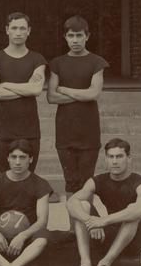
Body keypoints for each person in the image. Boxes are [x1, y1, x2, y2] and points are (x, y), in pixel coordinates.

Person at [66, 138, 141, 266]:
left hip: (133, 239)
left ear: (129, 158)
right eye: (111, 157)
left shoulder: (140, 183)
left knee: (132, 212)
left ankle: (104, 265)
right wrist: (89, 221)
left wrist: (102, 221)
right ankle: (85, 264)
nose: (115, 161)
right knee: (83, 206)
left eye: (119, 156)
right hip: (109, 233)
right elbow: (72, 201)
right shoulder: (97, 180)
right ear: (106, 159)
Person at [47, 15, 109, 205]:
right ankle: (74, 229)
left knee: (86, 181)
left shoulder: (97, 62)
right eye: (71, 36)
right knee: (71, 181)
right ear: (65, 37)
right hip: (65, 130)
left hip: (88, 130)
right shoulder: (57, 63)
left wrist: (65, 89)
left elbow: (93, 94)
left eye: (79, 36)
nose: (75, 40)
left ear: (87, 36)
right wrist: (80, 94)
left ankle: (86, 225)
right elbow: (51, 97)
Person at [0, 12, 47, 173]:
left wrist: (6, 85)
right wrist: (25, 89)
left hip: (29, 128)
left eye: (22, 28)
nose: (18, 32)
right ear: (7, 30)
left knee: (28, 179)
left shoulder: (37, 59)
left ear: (29, 31)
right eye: (14, 28)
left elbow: (36, 89)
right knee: (5, 178)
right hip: (3, 129)